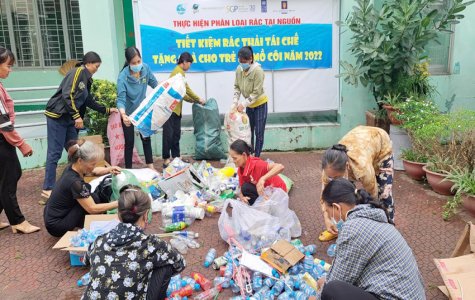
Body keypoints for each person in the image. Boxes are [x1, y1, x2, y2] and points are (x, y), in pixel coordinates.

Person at [317, 178, 425, 300]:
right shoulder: (372, 216)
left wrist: (318, 295)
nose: (331, 219)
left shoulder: (353, 228)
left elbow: (338, 279)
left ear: (337, 208)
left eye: (328, 211)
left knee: (332, 290)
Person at [82, 185, 186, 300]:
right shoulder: (152, 244)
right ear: (146, 215)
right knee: (165, 264)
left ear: (118, 213)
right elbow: (180, 263)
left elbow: (86, 260)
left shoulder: (99, 240)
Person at [42, 51, 118, 200]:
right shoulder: (77, 72)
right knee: (55, 152)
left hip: (70, 118)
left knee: (75, 151)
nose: (97, 69)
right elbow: (67, 94)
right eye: (96, 66)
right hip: (57, 116)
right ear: (88, 63)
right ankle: (48, 188)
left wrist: (107, 110)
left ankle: (73, 181)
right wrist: (77, 116)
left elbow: (88, 100)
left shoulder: (88, 79)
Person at [319, 125, 394, 242]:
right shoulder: (329, 167)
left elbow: (373, 199)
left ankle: (389, 230)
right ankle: (339, 227)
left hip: (379, 147)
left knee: (384, 194)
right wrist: (327, 219)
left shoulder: (362, 169)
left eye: (337, 177)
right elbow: (325, 197)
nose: (334, 180)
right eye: (330, 177)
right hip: (359, 140)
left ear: (347, 167)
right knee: (338, 195)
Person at [0, 46, 40, 234]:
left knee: (4, 178)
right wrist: (21, 144)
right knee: (11, 176)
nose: (10, 69)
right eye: (8, 65)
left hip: (3, 138)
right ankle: (17, 221)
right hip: (2, 139)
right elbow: (3, 123)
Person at [44, 140, 120, 237]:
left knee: (91, 196)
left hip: (51, 217)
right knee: (94, 200)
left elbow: (94, 171)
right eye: (92, 164)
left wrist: (109, 169)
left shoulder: (72, 168)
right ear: (80, 160)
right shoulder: (75, 183)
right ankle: (95, 228)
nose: (93, 167)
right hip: (57, 226)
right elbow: (92, 208)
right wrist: (118, 203)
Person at [117, 46, 158, 170]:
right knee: (129, 142)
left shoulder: (145, 69)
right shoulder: (122, 77)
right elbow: (121, 99)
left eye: (139, 61)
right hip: (128, 113)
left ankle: (150, 166)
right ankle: (129, 170)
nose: (137, 65)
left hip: (142, 111)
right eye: (133, 63)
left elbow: (155, 85)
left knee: (146, 137)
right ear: (129, 63)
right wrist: (123, 116)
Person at [162, 52, 205, 168]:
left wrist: (191, 100)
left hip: (176, 109)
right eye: (189, 63)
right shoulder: (178, 73)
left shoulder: (180, 73)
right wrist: (198, 99)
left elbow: (182, 93)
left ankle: (176, 158)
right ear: (185, 62)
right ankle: (166, 160)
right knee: (168, 135)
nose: (190, 66)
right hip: (170, 109)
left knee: (176, 135)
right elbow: (187, 90)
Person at [233, 46, 268, 157]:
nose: (242, 64)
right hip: (249, 105)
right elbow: (237, 87)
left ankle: (256, 157)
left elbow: (256, 92)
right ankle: (250, 155)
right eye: (240, 61)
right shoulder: (239, 70)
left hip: (260, 105)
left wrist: (243, 104)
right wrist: (235, 101)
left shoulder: (258, 71)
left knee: (259, 133)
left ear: (250, 59)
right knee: (248, 131)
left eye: (244, 62)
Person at [229, 139, 286, 205]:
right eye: (232, 158)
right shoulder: (240, 169)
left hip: (278, 192)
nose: (233, 161)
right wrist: (242, 197)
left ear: (244, 155)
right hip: (266, 191)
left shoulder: (257, 164)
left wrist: (263, 179)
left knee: (247, 188)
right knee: (245, 188)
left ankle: (266, 205)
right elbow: (241, 188)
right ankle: (263, 204)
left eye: (235, 158)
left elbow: (280, 166)